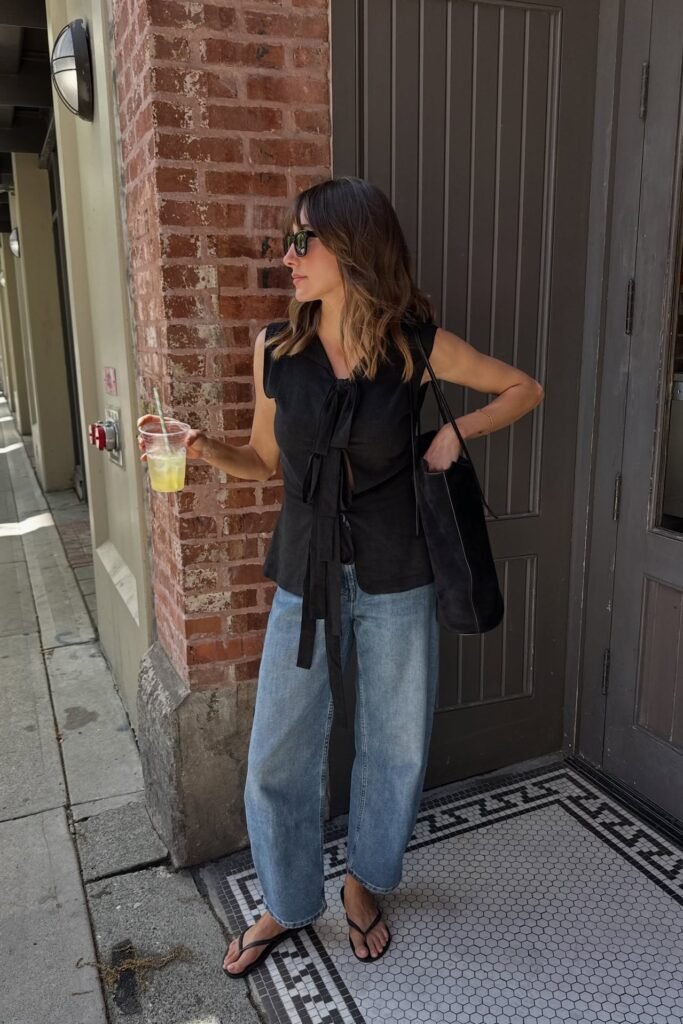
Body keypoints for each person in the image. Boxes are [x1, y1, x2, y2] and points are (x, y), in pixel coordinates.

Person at [138, 176, 543, 979]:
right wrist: (200, 447)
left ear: (352, 248)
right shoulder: (276, 352)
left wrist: (453, 433)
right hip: (305, 573)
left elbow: (522, 387)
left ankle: (362, 883)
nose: (287, 256)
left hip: (399, 573)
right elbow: (261, 462)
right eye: (288, 241)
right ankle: (287, 902)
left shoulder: (412, 344)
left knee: (393, 746)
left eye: (302, 240)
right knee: (277, 755)